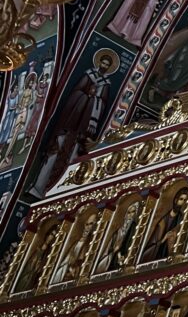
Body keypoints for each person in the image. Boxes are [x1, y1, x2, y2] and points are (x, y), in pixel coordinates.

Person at [30, 50, 118, 198]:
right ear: (99, 63)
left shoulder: (105, 84)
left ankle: (59, 194)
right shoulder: (88, 75)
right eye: (103, 63)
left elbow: (102, 103)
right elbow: (76, 93)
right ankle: (39, 188)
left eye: (106, 65)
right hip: (70, 123)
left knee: (73, 158)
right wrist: (86, 97)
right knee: (55, 152)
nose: (104, 66)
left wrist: (94, 100)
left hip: (83, 129)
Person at [140, 186, 188, 263]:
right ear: (175, 200)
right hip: (159, 256)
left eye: (184, 200)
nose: (182, 202)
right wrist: (164, 239)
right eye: (181, 199)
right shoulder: (162, 222)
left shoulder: (182, 218)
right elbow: (150, 247)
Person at [95, 201, 141, 275]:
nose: (130, 215)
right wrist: (114, 250)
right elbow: (108, 251)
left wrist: (126, 255)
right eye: (128, 212)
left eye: (133, 212)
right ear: (125, 214)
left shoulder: (135, 228)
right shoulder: (118, 232)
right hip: (114, 264)